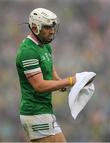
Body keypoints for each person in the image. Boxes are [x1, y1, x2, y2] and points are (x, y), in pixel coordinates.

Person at [16, 8, 76, 142]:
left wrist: (59, 81)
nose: (52, 31)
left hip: (44, 111)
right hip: (35, 112)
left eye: (53, 26)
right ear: (35, 27)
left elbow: (50, 69)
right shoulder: (28, 51)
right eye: (47, 27)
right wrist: (69, 81)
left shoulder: (45, 46)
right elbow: (39, 86)